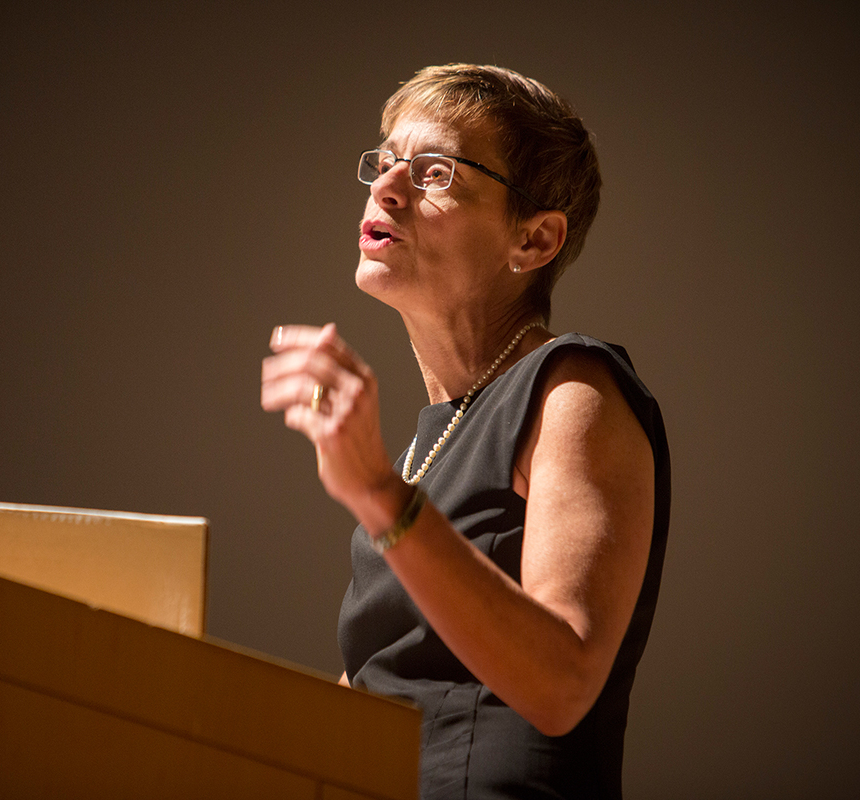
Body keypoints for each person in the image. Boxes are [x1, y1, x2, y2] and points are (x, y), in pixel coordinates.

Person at [261, 64, 669, 799]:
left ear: (535, 240)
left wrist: (382, 496)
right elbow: (357, 710)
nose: (386, 186)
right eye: (385, 162)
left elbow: (562, 682)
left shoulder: (572, 388)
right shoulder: (427, 447)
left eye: (436, 171)